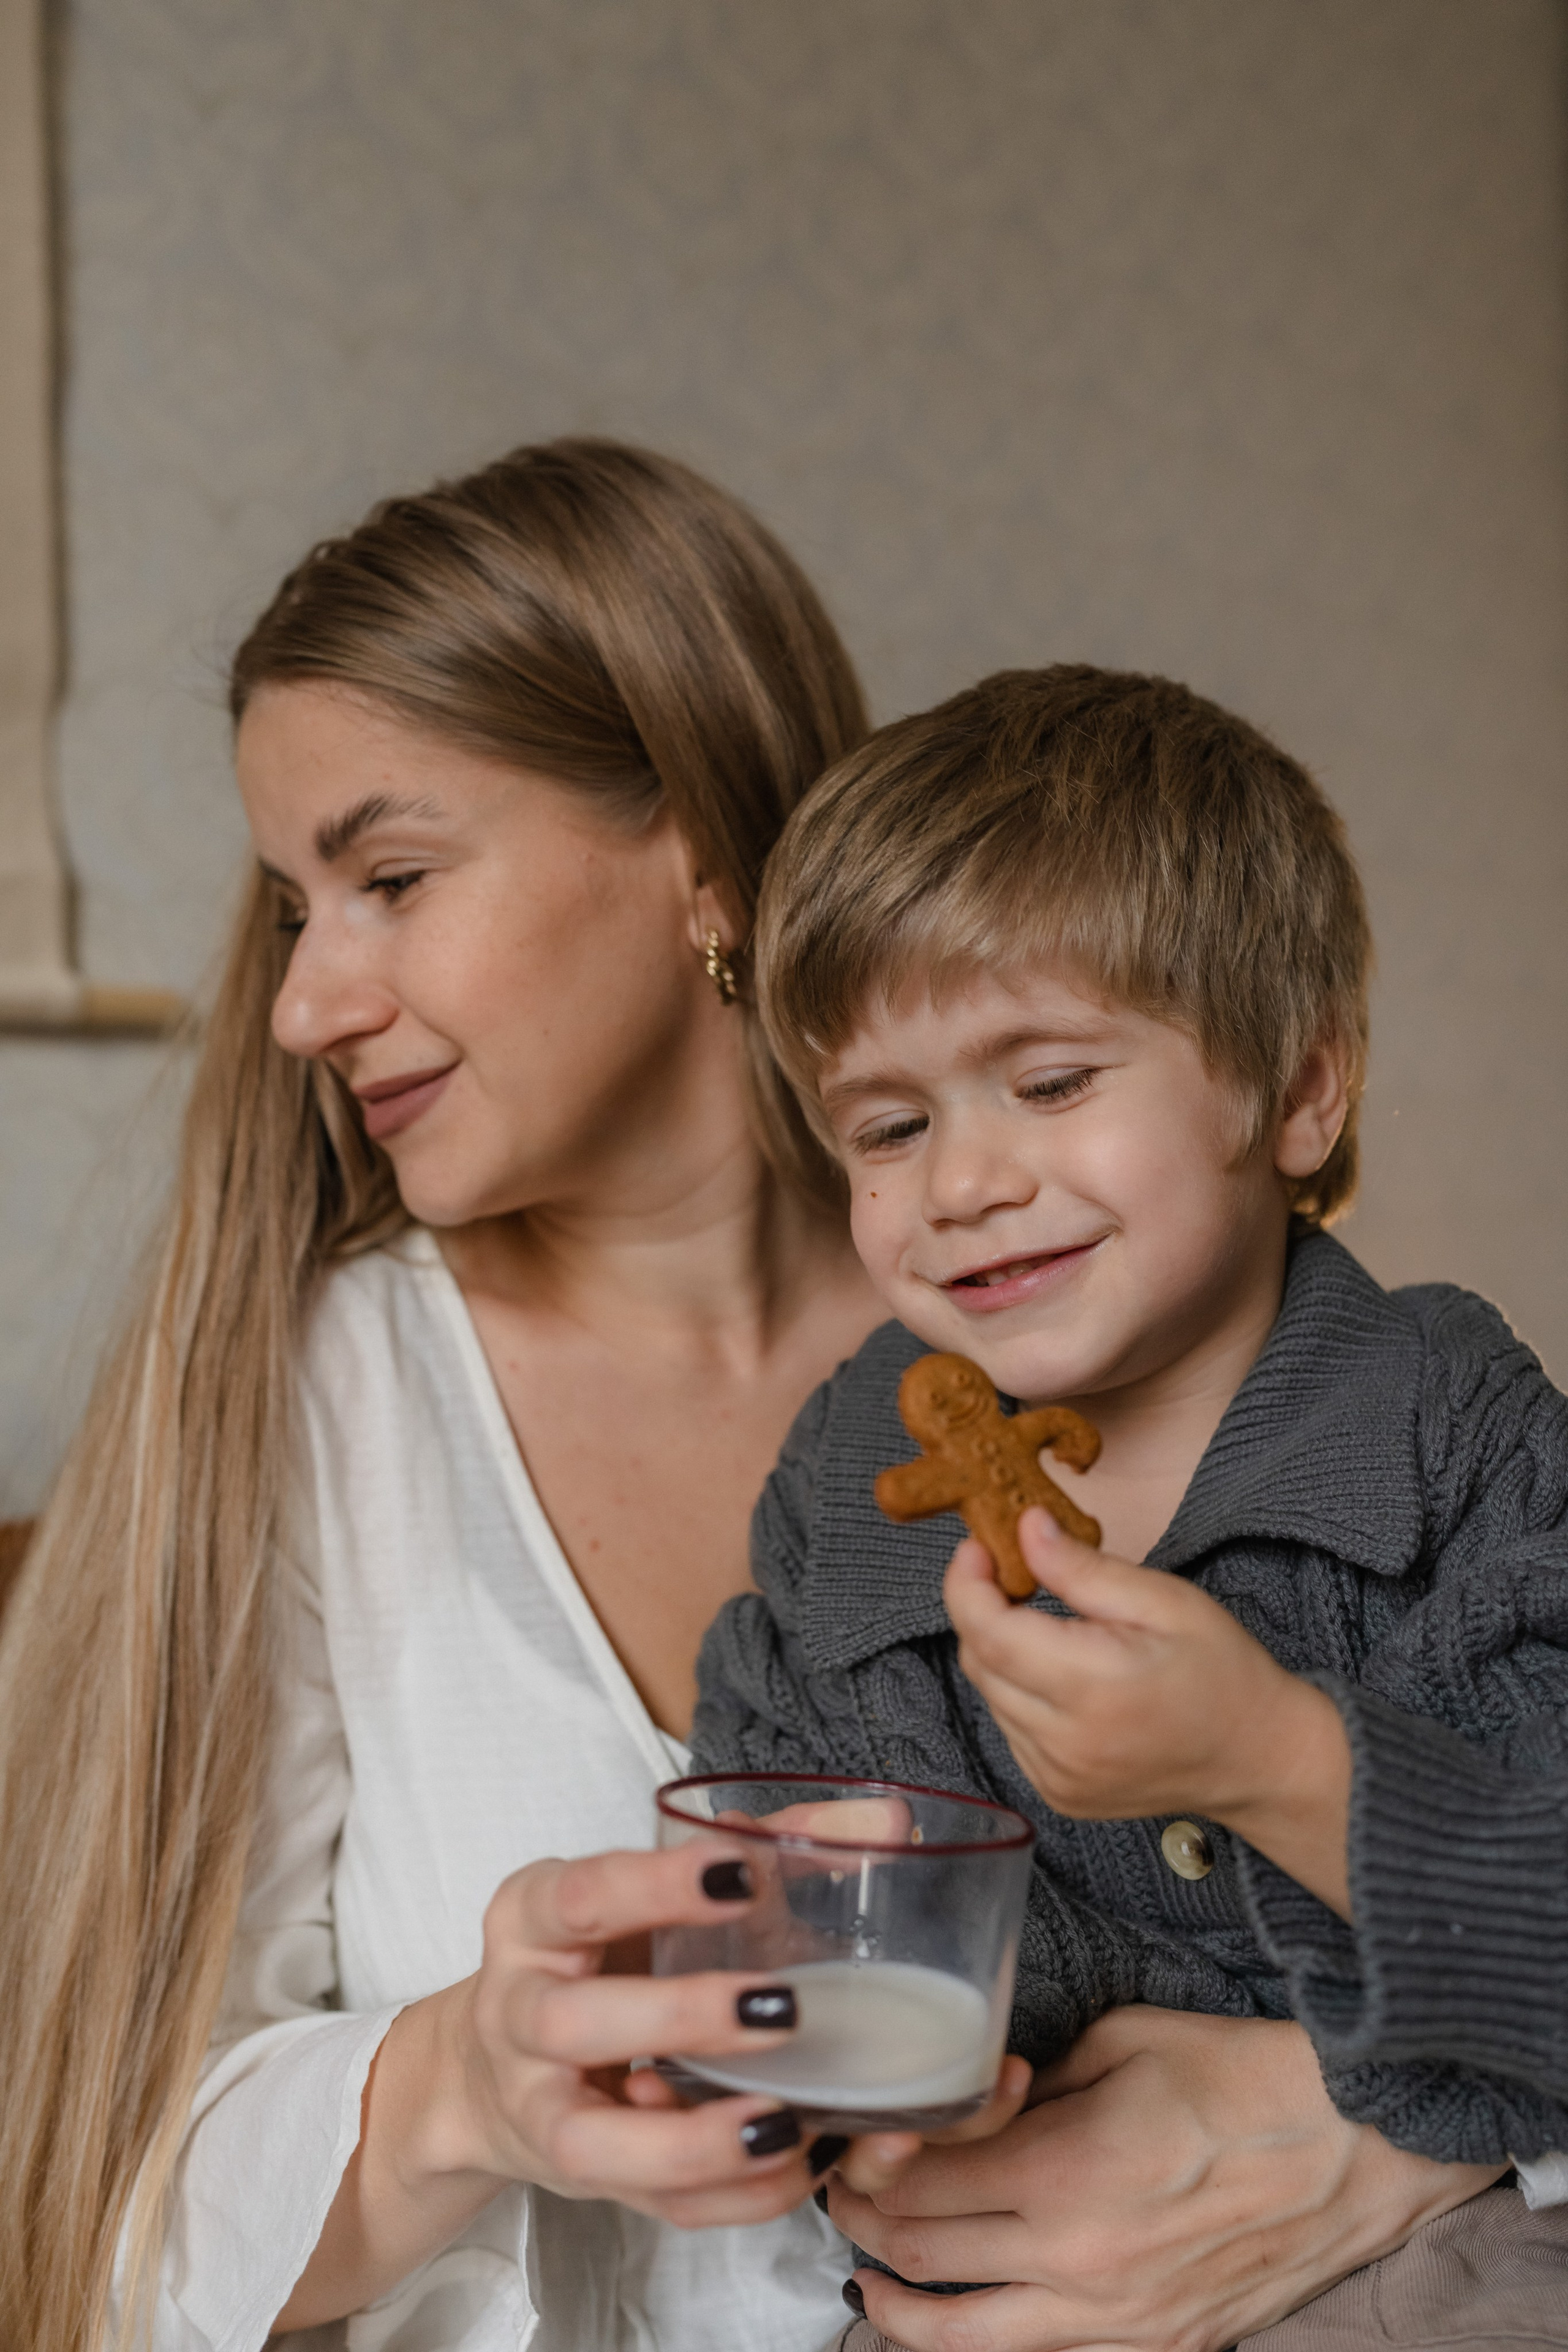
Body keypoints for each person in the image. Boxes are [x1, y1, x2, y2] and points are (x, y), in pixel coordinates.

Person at [0, 437, 926, 2352]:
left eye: (392, 878)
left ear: (698, 851)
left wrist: (1314, 2142)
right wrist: (460, 2092)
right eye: (291, 908)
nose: (301, 1003)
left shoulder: (1049, 1337)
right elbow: (83, 2196)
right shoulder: (308, 1410)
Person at [693, 663, 1568, 2345]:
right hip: (1010, 2271)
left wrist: (1273, 1760)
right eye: (889, 1125)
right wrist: (841, 1980)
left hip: (1452, 2268)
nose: (963, 1182)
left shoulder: (1455, 1433)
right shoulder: (844, 1486)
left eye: (1052, 1082)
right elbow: (782, 1925)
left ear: (1299, 1093)